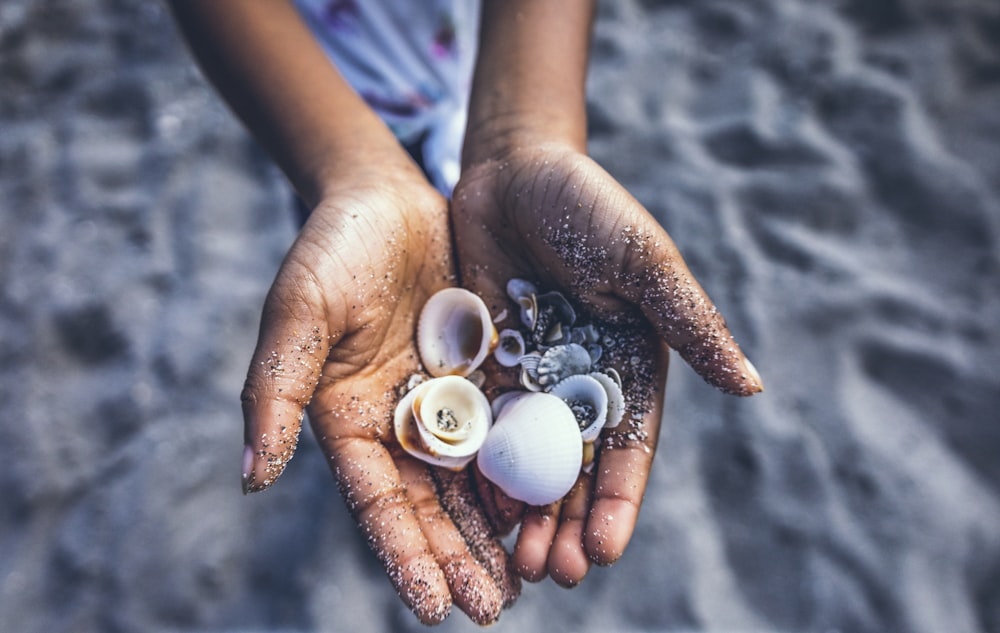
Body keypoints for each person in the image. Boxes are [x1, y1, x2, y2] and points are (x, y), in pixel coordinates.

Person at [168, 0, 763, 625]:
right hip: (318, 106)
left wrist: (521, 134)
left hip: (488, 73)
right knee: (345, 313)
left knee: (407, 286)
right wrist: (352, 172)